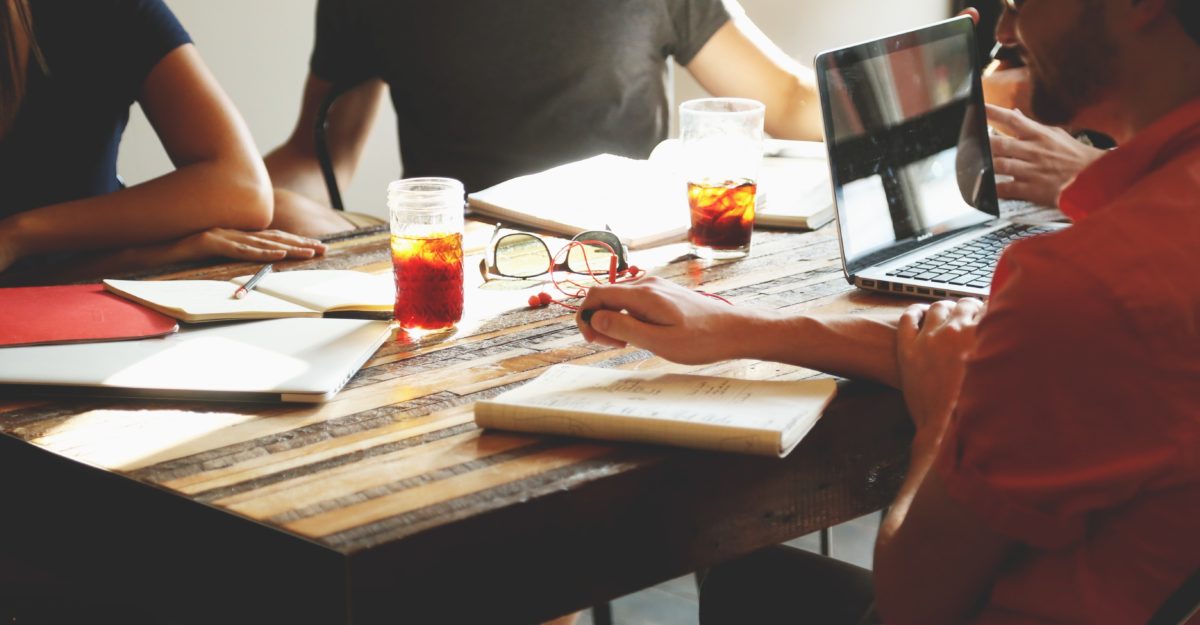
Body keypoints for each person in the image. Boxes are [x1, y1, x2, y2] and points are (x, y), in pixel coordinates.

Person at [574, 0, 1200, 622]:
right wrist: (744, 329)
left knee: (755, 585)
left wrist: (940, 426)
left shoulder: (1086, 285)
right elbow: (1003, 356)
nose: (1006, 31)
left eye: (1022, 3)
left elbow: (911, 606)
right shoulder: (1133, 260)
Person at [265, 0, 824, 237]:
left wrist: (904, 109)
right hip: (469, 275)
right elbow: (319, 157)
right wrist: (245, 199)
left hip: (628, 267)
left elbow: (785, 99)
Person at [0, 0, 326, 285]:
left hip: (92, 281)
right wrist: (145, 257)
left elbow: (242, 187)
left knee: (292, 215)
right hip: (67, 285)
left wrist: (20, 234)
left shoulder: (105, 8)